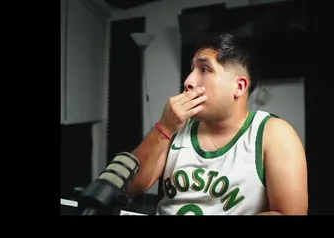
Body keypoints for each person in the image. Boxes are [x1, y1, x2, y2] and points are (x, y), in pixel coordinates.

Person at [126, 33, 307, 215]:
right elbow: (130, 186)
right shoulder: (176, 126)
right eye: (192, 69)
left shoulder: (273, 134)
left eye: (204, 69)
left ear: (239, 86)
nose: (188, 81)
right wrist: (163, 128)